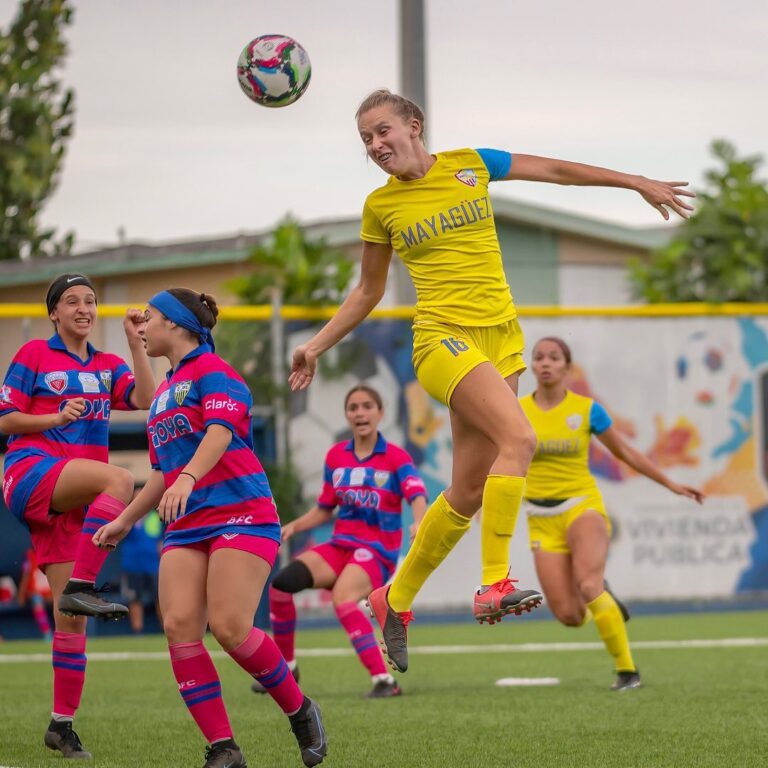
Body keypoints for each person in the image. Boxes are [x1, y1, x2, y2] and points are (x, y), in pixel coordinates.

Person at [288, 89, 696, 674]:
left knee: (468, 491)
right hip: (441, 340)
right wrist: (315, 346)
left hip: (501, 341)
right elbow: (368, 291)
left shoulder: (471, 165)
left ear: (413, 125)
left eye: (382, 131)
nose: (375, 146)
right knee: (521, 438)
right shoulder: (380, 206)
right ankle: (493, 583)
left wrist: (634, 182)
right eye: (366, 140)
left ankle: (393, 598)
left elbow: (554, 170)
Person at [92, 288, 327, 768]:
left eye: (151, 318)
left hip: (242, 513)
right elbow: (161, 473)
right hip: (187, 524)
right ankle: (224, 748)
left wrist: (189, 478)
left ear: (176, 324)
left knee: (230, 627)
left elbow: (219, 432)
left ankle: (300, 710)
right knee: (179, 627)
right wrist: (124, 519)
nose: (144, 325)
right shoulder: (163, 394)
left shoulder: (214, 371)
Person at [0, 273, 154, 758]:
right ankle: (84, 585)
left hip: (72, 500)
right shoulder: (34, 354)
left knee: (70, 620)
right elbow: (5, 419)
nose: (83, 308)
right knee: (122, 481)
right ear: (54, 313)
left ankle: (61, 727)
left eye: (90, 301)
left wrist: (136, 343)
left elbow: (145, 399)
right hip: (29, 472)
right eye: (71, 301)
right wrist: (55, 417)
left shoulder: (108, 364)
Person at [520, 337, 705, 690]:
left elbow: (627, 453)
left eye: (554, 357)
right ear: (532, 365)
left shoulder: (587, 410)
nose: (545, 363)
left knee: (587, 584)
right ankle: (604, 596)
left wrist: (670, 483)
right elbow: (496, 459)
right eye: (539, 357)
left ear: (567, 367)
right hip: (539, 518)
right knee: (570, 615)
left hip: (582, 506)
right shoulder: (517, 412)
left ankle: (627, 672)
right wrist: (480, 499)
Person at [255, 384, 427, 699]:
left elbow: (416, 494)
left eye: (367, 406)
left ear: (380, 413)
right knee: (280, 586)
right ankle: (288, 667)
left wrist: (419, 521)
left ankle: (384, 681)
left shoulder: (395, 457)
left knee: (343, 599)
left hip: (376, 551)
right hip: (341, 546)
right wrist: (293, 526)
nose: (360, 413)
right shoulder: (336, 456)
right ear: (347, 415)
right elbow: (325, 508)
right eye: (353, 407)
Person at [119, 507, 163, 633]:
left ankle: (166, 630)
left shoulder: (155, 517)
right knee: (134, 598)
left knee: (160, 598)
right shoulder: (128, 516)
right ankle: (138, 632)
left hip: (154, 566)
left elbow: (159, 542)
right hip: (133, 566)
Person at [18, 548, 53, 640]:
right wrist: (21, 595)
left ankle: (64, 633)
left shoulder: (53, 553)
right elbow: (25, 576)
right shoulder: (29, 556)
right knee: (37, 601)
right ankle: (47, 634)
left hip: (51, 592)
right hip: (35, 592)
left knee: (62, 602)